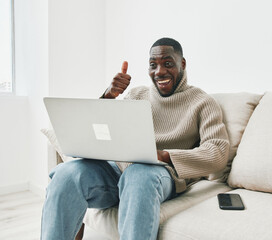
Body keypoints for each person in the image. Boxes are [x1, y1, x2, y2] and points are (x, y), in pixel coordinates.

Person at [41, 37, 229, 240]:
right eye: (153, 65)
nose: (159, 72)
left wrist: (163, 155)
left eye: (167, 64)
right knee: (67, 173)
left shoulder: (203, 102)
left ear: (182, 64)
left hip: (159, 175)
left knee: (138, 174)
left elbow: (217, 153)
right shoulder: (137, 94)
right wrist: (109, 96)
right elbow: (104, 128)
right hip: (118, 172)